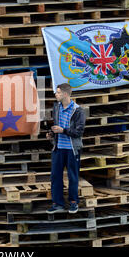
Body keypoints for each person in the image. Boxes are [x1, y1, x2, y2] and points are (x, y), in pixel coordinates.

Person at [46, 83, 86, 214]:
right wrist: (52, 134)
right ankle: (58, 204)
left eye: (58, 92)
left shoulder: (78, 111)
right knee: (55, 176)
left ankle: (73, 203)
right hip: (58, 148)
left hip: (72, 149)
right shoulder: (56, 107)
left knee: (72, 176)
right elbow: (57, 126)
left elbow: (79, 132)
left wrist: (63, 130)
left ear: (65, 94)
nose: (55, 94)